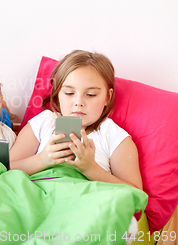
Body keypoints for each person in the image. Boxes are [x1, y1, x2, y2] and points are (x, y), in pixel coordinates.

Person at [9, 50, 142, 190]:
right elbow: (5, 168)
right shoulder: (44, 122)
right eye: (69, 93)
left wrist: (91, 170)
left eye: (91, 95)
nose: (79, 102)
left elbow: (135, 194)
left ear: (107, 97)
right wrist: (41, 160)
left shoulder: (113, 136)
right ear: (58, 93)